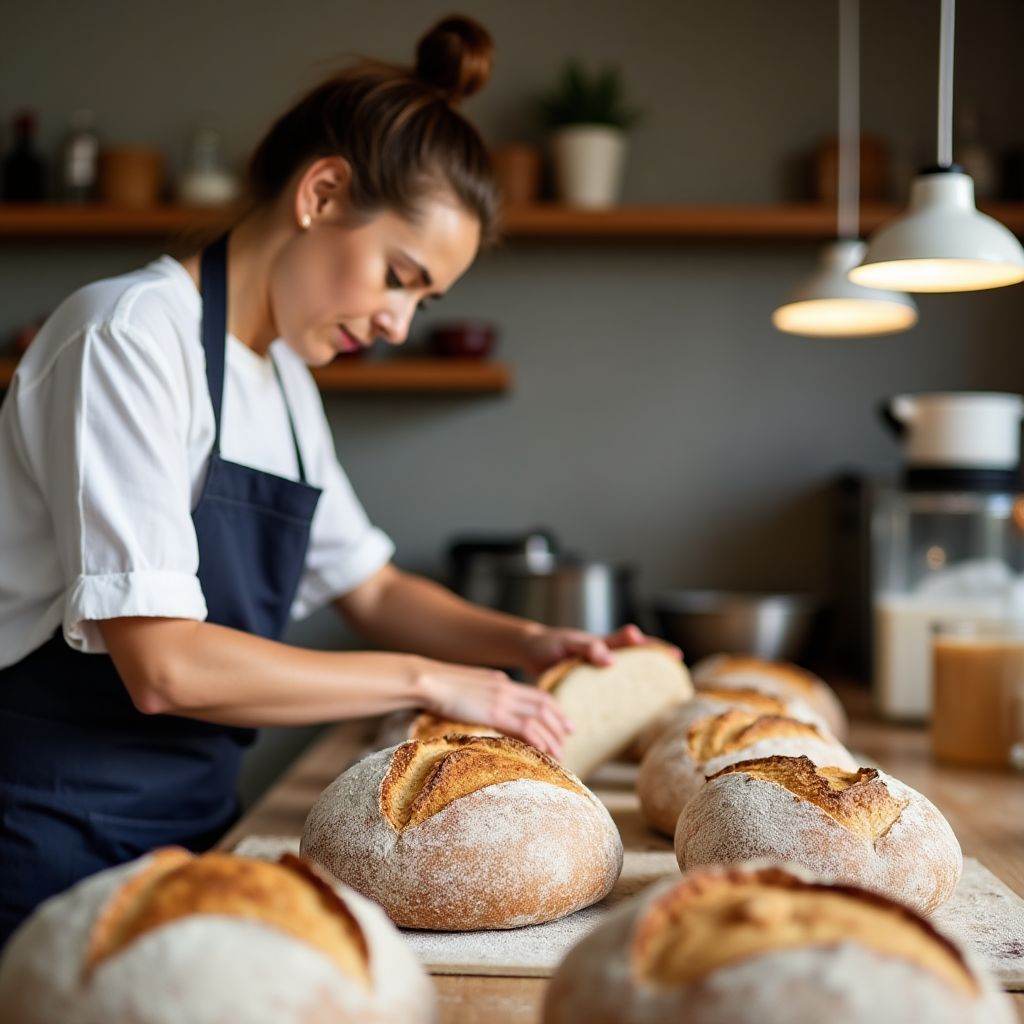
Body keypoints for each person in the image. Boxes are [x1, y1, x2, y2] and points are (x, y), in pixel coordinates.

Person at [0, 15, 663, 946]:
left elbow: (372, 588)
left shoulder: (283, 382)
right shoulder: (127, 337)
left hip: (196, 825)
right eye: (397, 275)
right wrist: (436, 680)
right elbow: (164, 665)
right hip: (48, 830)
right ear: (320, 193)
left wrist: (532, 642)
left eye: (423, 299)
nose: (398, 323)